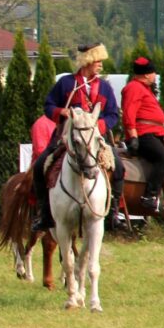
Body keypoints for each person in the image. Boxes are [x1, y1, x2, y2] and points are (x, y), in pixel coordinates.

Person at [31, 43, 125, 231]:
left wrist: (97, 125)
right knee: (40, 165)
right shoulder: (66, 83)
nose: (100, 65)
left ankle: (114, 211)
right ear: (87, 61)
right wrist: (61, 111)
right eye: (97, 61)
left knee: (120, 167)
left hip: (97, 139)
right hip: (66, 138)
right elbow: (48, 106)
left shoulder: (105, 88)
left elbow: (113, 114)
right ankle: (44, 213)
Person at [122, 57, 164, 213]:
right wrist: (133, 136)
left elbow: (154, 115)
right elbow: (129, 113)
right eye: (154, 72)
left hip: (154, 133)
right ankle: (149, 196)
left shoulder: (145, 90)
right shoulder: (134, 88)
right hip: (143, 135)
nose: (155, 76)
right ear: (147, 74)